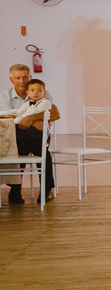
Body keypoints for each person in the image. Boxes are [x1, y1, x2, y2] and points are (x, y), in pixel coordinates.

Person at [4, 64, 60, 204]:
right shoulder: (4, 97)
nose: (22, 81)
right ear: (11, 80)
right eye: (18, 78)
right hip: (16, 135)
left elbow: (55, 114)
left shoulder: (41, 91)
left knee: (43, 152)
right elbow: (7, 119)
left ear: (30, 77)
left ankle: (46, 189)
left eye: (25, 77)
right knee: (15, 152)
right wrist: (38, 120)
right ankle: (15, 190)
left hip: (37, 135)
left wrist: (32, 118)